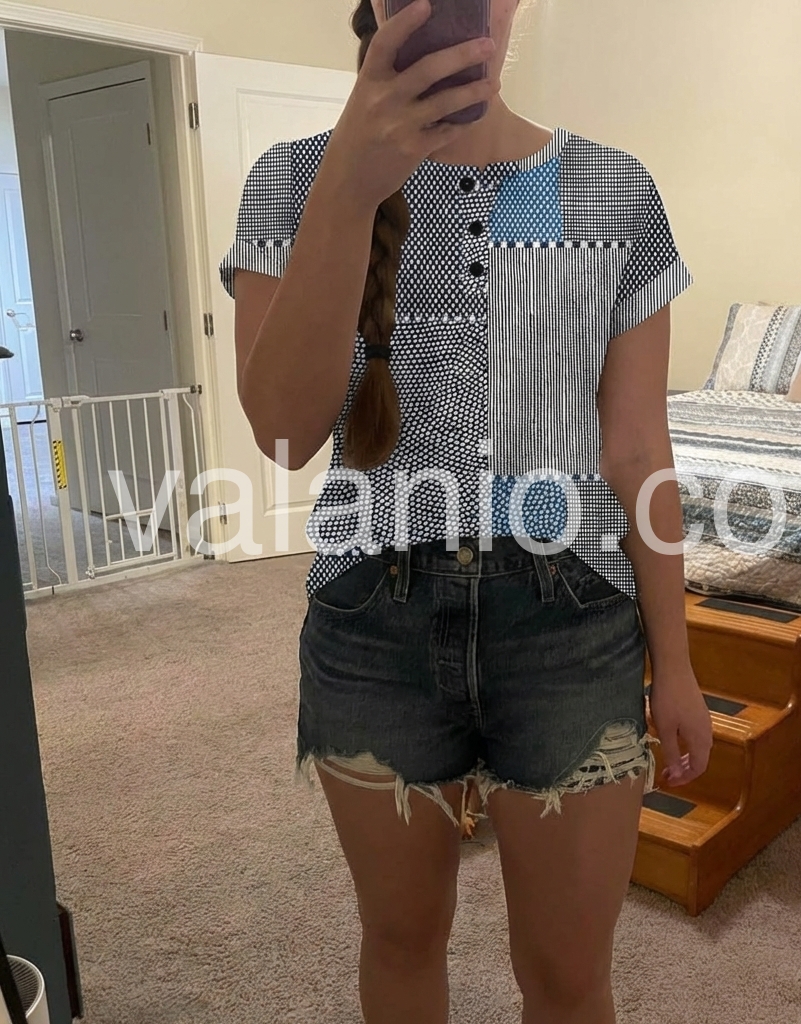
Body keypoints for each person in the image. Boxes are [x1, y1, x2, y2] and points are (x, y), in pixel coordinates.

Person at [218, 1, 713, 1021]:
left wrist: (677, 658)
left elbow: (636, 449)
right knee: (401, 939)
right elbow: (284, 436)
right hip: (373, 626)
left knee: (568, 976)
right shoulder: (292, 178)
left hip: (573, 625)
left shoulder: (609, 189)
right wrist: (350, 186)